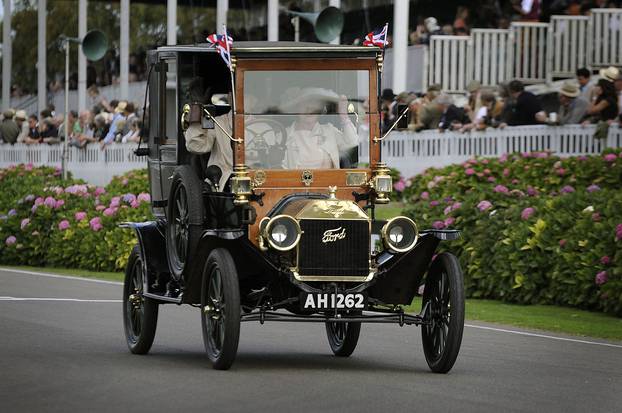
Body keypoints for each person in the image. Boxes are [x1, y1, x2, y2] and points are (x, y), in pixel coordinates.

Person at [281, 89, 358, 169]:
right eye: (304, 105)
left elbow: (353, 144)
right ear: (296, 109)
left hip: (329, 181)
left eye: (314, 106)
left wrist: (344, 116)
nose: (309, 110)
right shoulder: (284, 135)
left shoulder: (329, 131)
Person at [185, 95, 233, 191]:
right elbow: (196, 146)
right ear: (231, 97)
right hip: (227, 181)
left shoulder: (266, 124)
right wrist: (197, 117)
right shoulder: (218, 122)